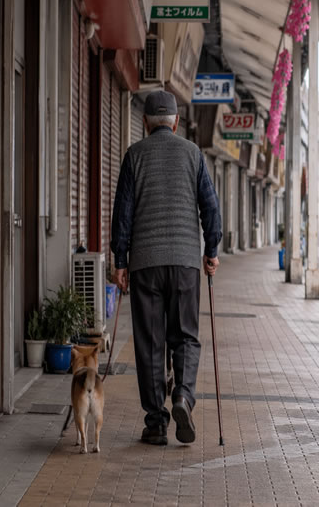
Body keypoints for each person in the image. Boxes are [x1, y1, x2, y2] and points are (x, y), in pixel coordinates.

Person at [110, 90, 222, 446]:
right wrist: (212, 250)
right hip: (186, 263)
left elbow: (122, 214)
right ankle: (183, 396)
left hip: (145, 265)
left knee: (149, 342)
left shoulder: (134, 155)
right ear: (175, 122)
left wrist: (120, 261)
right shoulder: (193, 154)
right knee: (185, 337)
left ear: (144, 123)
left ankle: (156, 423)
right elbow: (211, 207)